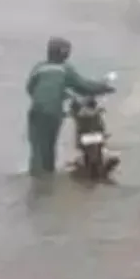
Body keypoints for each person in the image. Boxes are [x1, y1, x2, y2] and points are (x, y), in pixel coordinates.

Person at [25, 36, 115, 177]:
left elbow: (30, 88)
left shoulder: (39, 68)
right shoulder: (64, 69)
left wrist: (51, 97)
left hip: (36, 112)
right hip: (53, 114)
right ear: (64, 53)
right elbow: (84, 86)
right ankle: (47, 176)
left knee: (37, 148)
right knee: (49, 147)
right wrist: (104, 88)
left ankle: (37, 178)